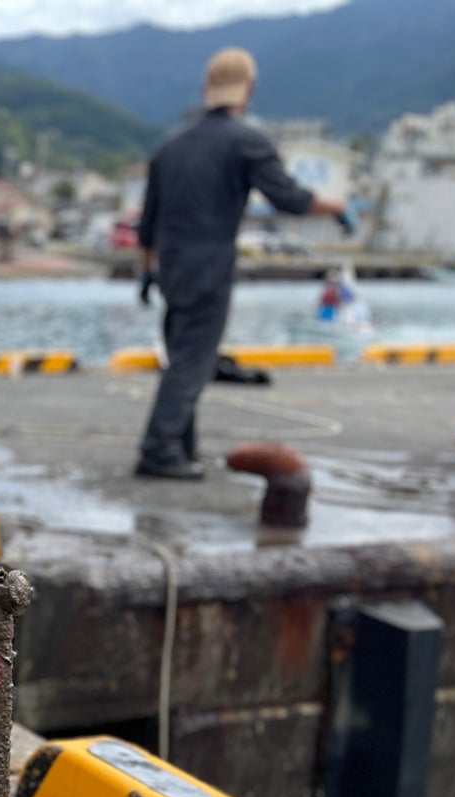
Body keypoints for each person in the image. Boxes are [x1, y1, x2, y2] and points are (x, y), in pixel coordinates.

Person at [135, 47, 354, 480]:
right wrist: (338, 206)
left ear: (207, 88)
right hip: (210, 262)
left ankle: (182, 446)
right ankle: (158, 450)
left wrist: (147, 271)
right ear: (248, 90)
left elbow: (148, 222)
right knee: (194, 361)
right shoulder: (247, 141)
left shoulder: (170, 147)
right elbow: (288, 198)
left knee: (182, 354)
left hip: (171, 265)